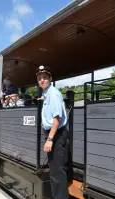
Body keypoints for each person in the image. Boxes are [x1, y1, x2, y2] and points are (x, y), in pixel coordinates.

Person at [35, 65, 69, 199]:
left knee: (57, 173)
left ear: (50, 78)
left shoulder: (53, 93)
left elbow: (57, 118)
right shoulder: (47, 93)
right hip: (54, 135)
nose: (42, 80)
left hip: (56, 135)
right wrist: (43, 100)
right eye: (39, 78)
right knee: (55, 171)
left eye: (45, 77)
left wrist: (50, 139)